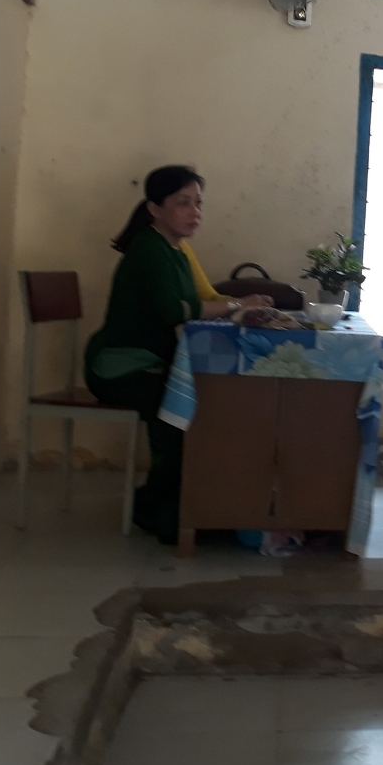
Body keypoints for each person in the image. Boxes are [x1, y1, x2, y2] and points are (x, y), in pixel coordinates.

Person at [85, 166, 270, 541]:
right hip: (120, 368)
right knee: (183, 413)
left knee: (204, 404)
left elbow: (195, 304)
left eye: (198, 203)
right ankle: (162, 514)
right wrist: (238, 304)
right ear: (155, 208)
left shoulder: (176, 252)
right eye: (183, 203)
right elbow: (178, 311)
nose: (194, 212)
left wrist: (237, 307)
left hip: (153, 364)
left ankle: (177, 508)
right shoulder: (148, 249)